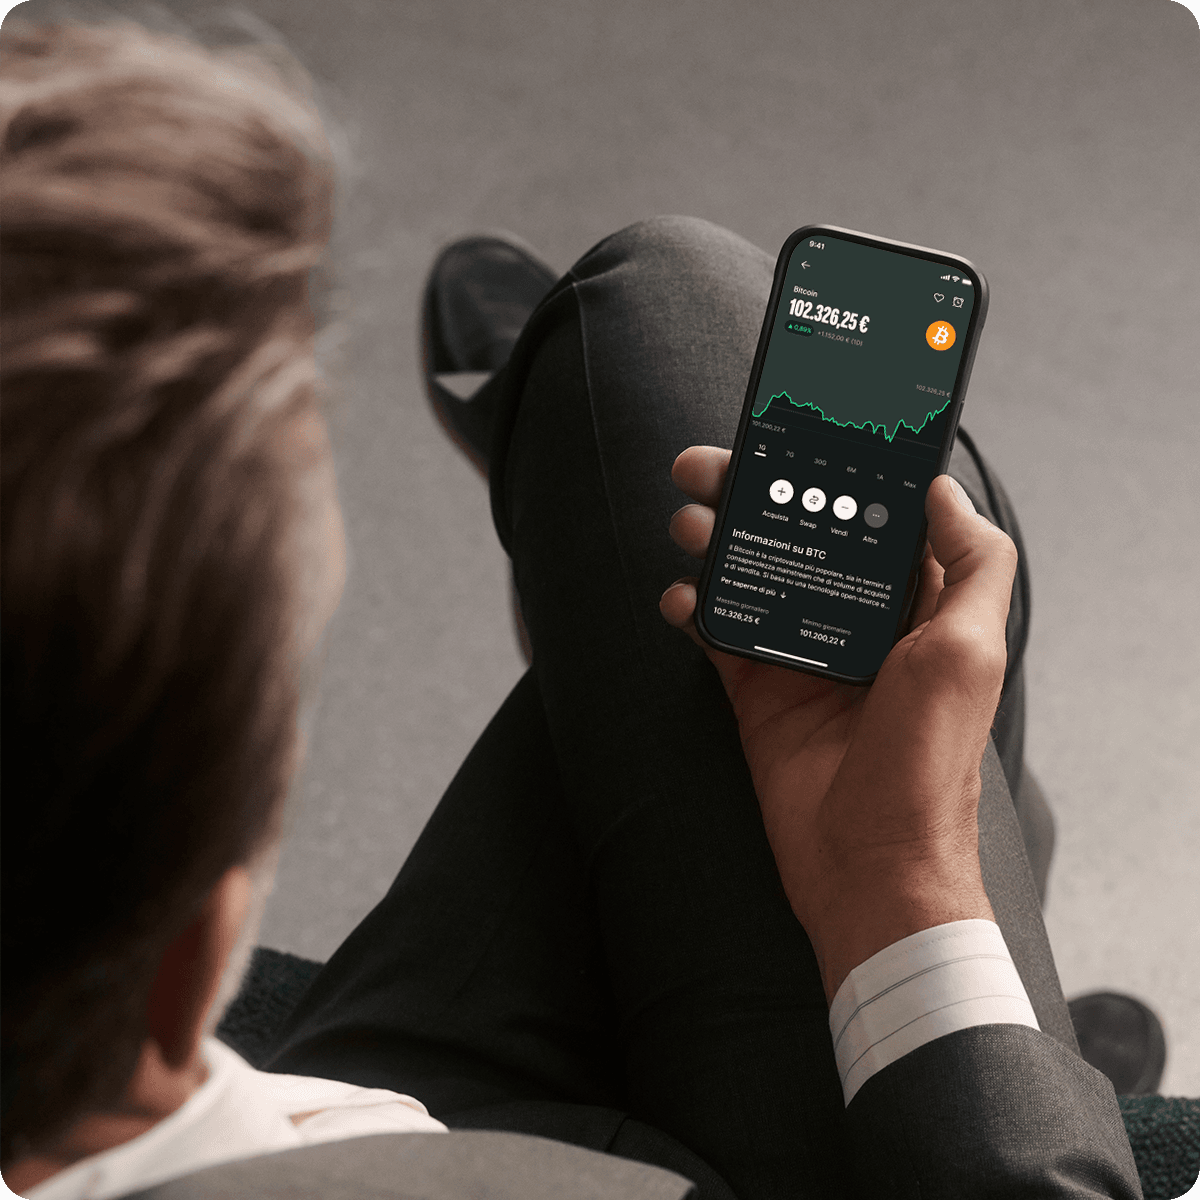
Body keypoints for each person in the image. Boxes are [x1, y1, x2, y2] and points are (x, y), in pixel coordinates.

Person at [0, 13, 1154, 1200]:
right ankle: (1056, 1052)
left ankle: (560, 471)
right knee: (720, 350)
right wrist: (910, 891)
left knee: (669, 333)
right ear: (192, 962)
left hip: (338, 1092)